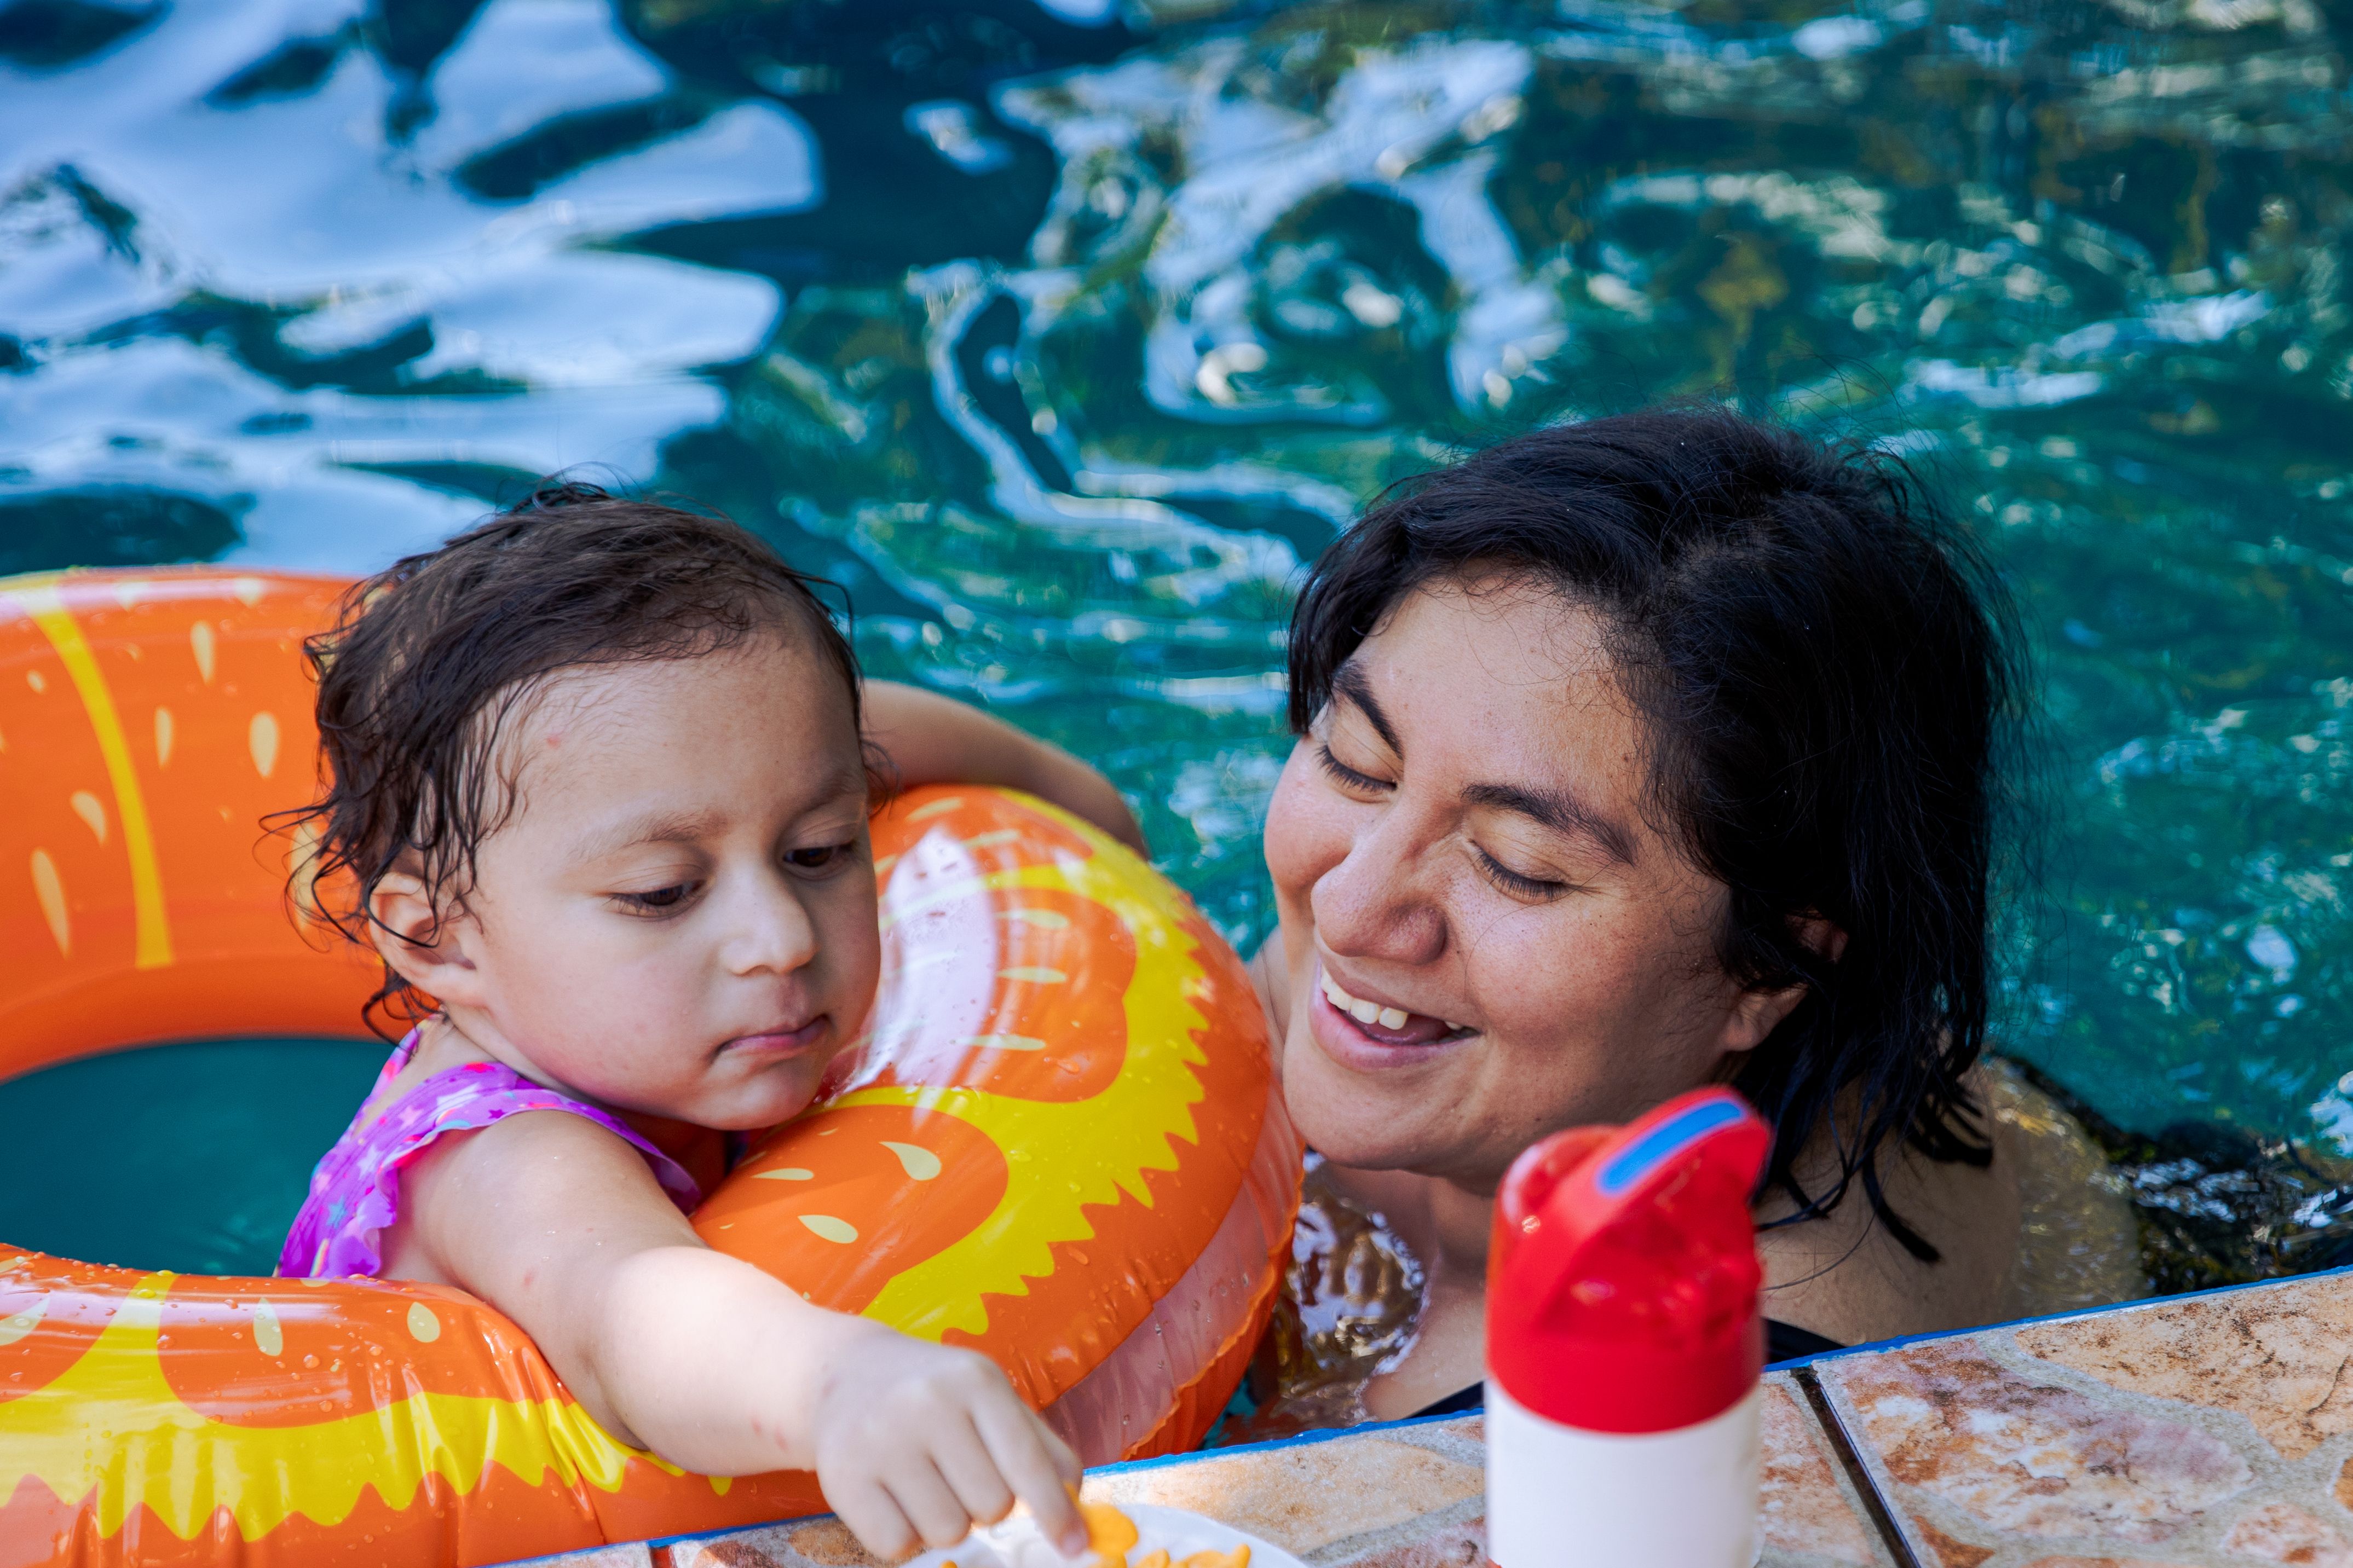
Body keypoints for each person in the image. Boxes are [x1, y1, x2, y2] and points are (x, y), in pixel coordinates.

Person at [902, 406, 2052, 1424]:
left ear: (1771, 964)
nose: (1350, 908)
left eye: (1515, 864)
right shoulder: (1424, 1005)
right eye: (1355, 761)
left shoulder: (1745, 1378)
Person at [278, 485, 1131, 1562]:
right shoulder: (501, 1156)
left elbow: (868, 741)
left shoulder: (683, 941)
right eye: (663, 892)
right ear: (439, 941)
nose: (778, 935)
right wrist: (836, 1381)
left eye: (818, 851)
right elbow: (631, 1310)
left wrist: (1077, 808)